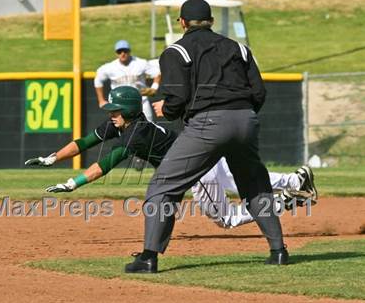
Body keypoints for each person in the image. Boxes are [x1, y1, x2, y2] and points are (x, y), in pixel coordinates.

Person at [125, 0, 291, 273]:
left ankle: (148, 257)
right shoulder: (239, 48)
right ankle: (279, 251)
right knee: (254, 184)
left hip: (208, 124)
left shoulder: (176, 51)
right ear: (211, 21)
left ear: (182, 22)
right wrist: (242, 116)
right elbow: (259, 93)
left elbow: (176, 100)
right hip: (246, 119)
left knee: (163, 186)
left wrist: (167, 109)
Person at [25, 86, 316, 241]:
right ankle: (295, 180)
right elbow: (86, 141)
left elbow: (107, 164)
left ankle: (286, 202)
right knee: (236, 179)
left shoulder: (136, 135)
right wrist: (53, 158)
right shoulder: (125, 124)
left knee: (226, 220)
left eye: (115, 110)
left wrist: (72, 183)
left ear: (126, 111)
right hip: (208, 156)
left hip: (198, 172)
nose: (111, 114)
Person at [94, 40, 161, 122]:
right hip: (119, 104)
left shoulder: (140, 63)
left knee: (147, 125)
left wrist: (154, 87)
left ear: (129, 51)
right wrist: (101, 100)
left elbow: (157, 73)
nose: (122, 53)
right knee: (121, 128)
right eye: (119, 51)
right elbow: (98, 80)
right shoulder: (110, 67)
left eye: (125, 51)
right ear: (116, 53)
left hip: (141, 101)